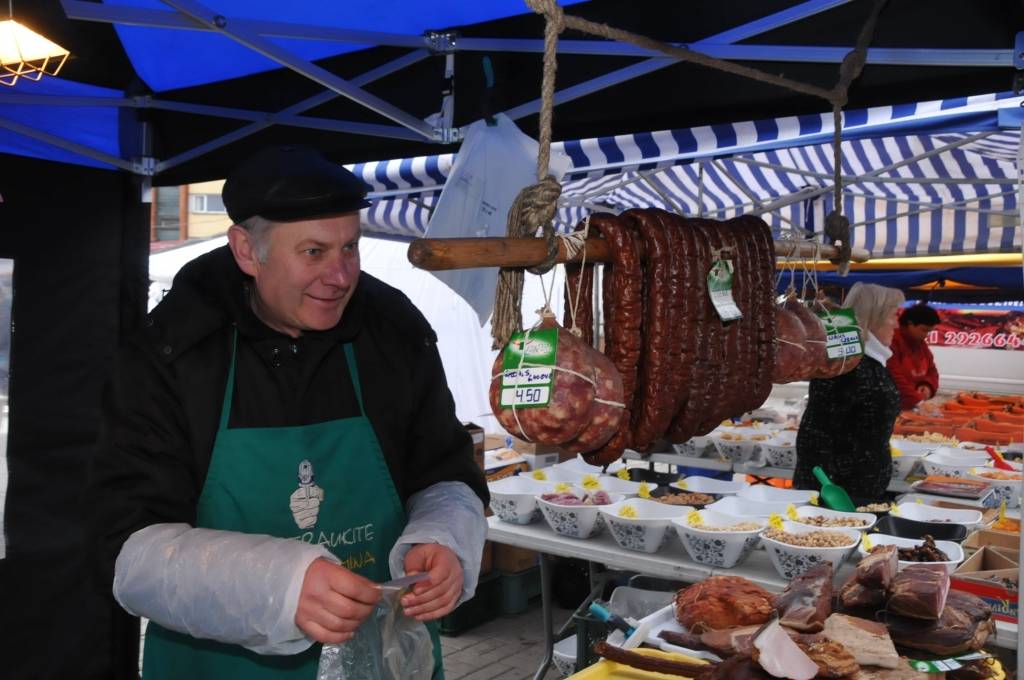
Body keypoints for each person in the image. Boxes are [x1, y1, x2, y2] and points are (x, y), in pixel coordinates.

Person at [88, 145, 488, 679]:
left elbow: (444, 470)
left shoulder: (393, 332)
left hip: (383, 659)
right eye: (314, 253)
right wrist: (278, 586)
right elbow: (129, 552)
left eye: (350, 247)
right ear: (247, 252)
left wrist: (443, 539)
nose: (341, 276)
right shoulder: (171, 355)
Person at [793, 283, 905, 503]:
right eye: (894, 315)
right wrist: (823, 491)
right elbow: (815, 433)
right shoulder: (847, 365)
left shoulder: (871, 362)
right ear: (875, 317)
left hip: (863, 489)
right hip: (841, 495)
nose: (897, 324)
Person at [887, 303, 941, 410]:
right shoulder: (892, 342)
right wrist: (918, 401)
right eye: (924, 330)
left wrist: (927, 386)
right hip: (893, 406)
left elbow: (932, 371)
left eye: (929, 331)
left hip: (913, 406)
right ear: (910, 324)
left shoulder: (921, 344)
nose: (926, 335)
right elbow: (894, 377)